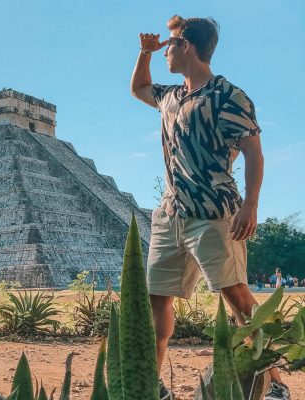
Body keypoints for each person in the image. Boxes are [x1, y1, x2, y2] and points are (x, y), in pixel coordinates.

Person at [131, 15, 290, 399]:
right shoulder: (171, 96)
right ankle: (150, 385)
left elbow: (254, 152)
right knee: (156, 301)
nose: (165, 51)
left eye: (169, 45)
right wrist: (144, 54)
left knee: (237, 300)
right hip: (171, 216)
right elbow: (139, 89)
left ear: (186, 46)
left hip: (215, 215)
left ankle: (276, 386)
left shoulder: (227, 96)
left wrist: (250, 205)